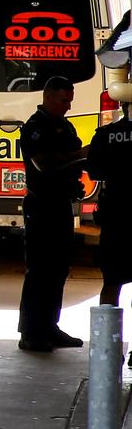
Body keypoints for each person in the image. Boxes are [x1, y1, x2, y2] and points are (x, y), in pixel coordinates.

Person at [17, 76, 89, 352]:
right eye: (63, 101)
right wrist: (79, 155)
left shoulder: (64, 127)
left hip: (60, 204)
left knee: (59, 267)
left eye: (69, 102)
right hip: (41, 205)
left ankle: (49, 326)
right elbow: (43, 164)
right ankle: (30, 332)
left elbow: (72, 161)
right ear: (48, 97)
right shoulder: (36, 128)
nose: (67, 107)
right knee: (39, 269)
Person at [84, 95, 132, 324]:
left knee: (111, 283)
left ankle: (106, 345)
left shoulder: (105, 135)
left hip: (116, 217)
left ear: (123, 106)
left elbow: (94, 172)